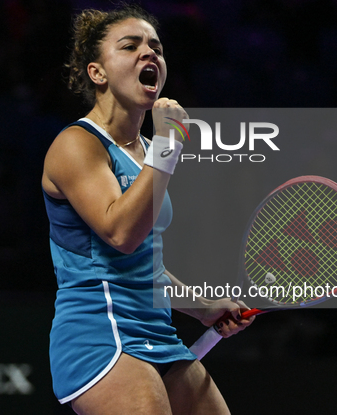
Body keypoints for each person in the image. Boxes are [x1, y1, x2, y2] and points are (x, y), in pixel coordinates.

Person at [41, 4, 254, 414]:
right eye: (130, 46)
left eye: (156, 47)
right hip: (100, 334)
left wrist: (205, 307)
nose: (149, 53)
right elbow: (120, 235)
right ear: (97, 73)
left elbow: (143, 268)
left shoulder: (144, 155)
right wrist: (168, 147)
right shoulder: (77, 145)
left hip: (156, 332)